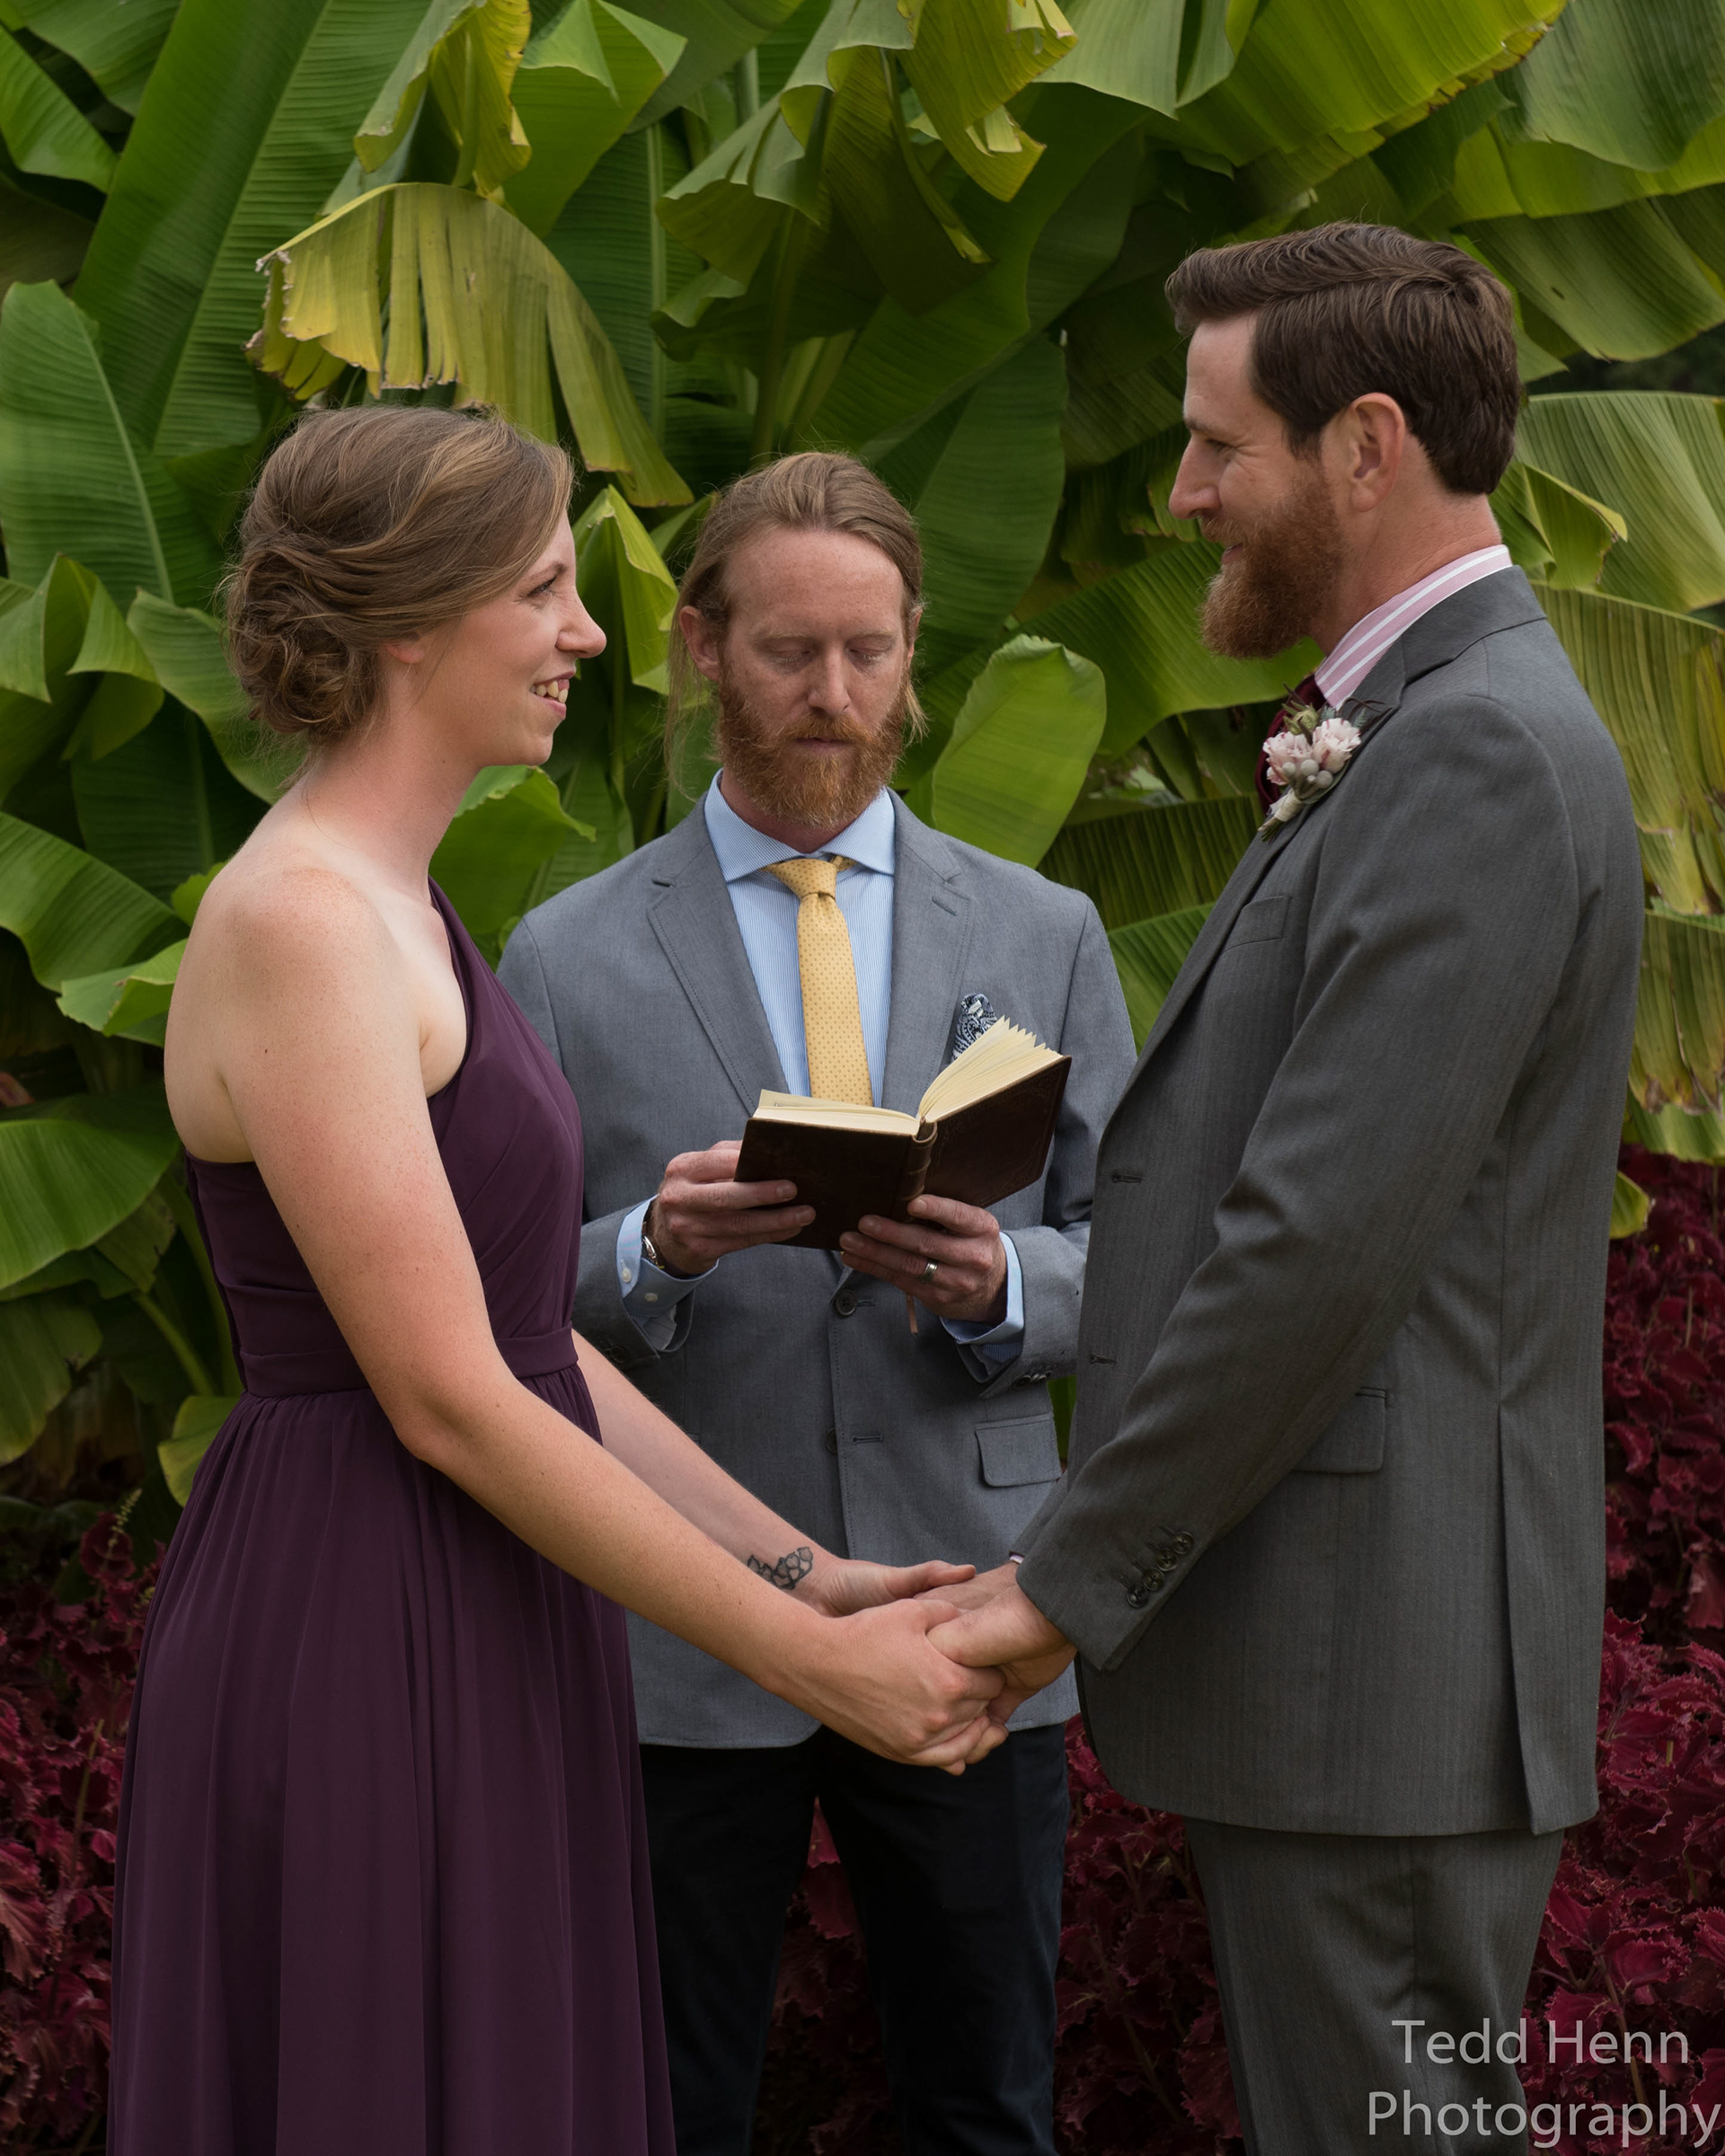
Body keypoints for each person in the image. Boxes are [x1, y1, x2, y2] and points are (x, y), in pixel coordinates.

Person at [109, 407, 1007, 2156]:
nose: (588, 634)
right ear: (408, 625)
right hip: (362, 1608)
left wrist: (807, 1573)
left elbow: (526, 1340)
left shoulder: (393, 900)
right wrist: (812, 1671)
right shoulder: (304, 924)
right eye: (540, 591)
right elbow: (449, 1397)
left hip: (485, 1594)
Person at [933, 225, 1643, 2155]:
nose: (1182, 492)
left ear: (1367, 446)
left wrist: (1062, 1588)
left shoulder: (1472, 753)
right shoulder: (1419, 727)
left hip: (1381, 1690)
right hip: (1350, 1686)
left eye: (1216, 444)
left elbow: (1316, 1246)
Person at [499, 451, 1135, 2156]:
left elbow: (1146, 1260)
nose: (835, 695)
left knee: (985, 2103)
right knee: (665, 2101)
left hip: (968, 1599)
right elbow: (494, 1298)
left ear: (916, 649)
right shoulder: (561, 951)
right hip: (683, 1616)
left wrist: (1004, 1285)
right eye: (791, 651)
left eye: (871, 650)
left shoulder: (1047, 929)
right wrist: (654, 1250)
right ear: (704, 646)